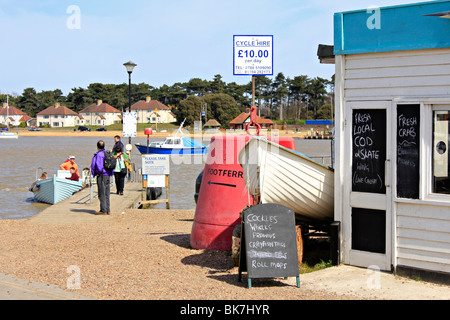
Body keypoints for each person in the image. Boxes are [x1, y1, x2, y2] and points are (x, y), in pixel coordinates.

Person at [91, 140, 113, 215]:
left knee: (101, 192)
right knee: (107, 192)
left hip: (102, 175)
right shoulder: (107, 153)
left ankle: (103, 210)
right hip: (107, 174)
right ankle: (108, 209)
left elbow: (99, 166)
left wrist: (97, 173)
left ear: (97, 147)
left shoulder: (99, 154)